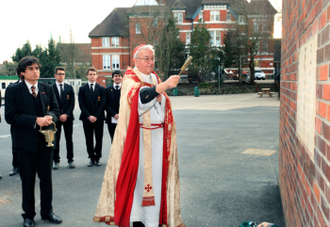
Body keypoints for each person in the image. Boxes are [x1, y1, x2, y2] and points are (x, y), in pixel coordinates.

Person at [93, 44, 185, 227]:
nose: (150, 62)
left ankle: (156, 217)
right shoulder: (129, 78)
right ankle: (139, 218)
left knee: (157, 178)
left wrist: (161, 94)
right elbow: (139, 98)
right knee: (140, 180)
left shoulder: (154, 77)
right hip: (140, 140)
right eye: (146, 58)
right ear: (136, 60)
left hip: (157, 138)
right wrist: (162, 87)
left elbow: (161, 100)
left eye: (152, 58)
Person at [5, 56, 62, 227]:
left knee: (46, 179)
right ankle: (28, 215)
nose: (35, 71)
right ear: (22, 72)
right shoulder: (13, 90)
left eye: (37, 68)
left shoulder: (47, 88)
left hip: (46, 143)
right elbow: (11, 116)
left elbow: (56, 110)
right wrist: (35, 120)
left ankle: (47, 212)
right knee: (28, 181)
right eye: (31, 68)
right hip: (24, 145)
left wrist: (49, 117)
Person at [78, 67, 106, 167]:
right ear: (87, 76)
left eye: (94, 74)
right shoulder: (82, 89)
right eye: (90, 74)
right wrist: (89, 116)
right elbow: (81, 104)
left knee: (99, 139)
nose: (92, 76)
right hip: (86, 118)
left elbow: (103, 104)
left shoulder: (101, 89)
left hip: (99, 118)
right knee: (89, 139)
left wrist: (96, 116)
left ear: (96, 76)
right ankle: (91, 157)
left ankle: (98, 157)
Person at [52, 67, 75, 170]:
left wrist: (66, 114)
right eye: (59, 74)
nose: (61, 76)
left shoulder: (69, 88)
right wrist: (58, 115)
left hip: (67, 118)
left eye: (63, 74)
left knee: (69, 139)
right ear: (55, 75)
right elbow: (50, 104)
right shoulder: (50, 88)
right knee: (55, 139)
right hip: (56, 119)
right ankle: (56, 160)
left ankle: (70, 160)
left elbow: (72, 103)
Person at [9, 74, 22, 176]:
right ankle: (16, 166)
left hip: (33, 123)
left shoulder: (38, 88)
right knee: (16, 146)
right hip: (17, 123)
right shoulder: (12, 88)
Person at [105, 70, 123, 142]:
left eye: (119, 76)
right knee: (114, 139)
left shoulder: (126, 90)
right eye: (116, 76)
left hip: (123, 118)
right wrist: (114, 114)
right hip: (111, 118)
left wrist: (121, 114)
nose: (117, 77)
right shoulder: (107, 90)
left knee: (123, 139)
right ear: (113, 78)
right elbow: (105, 104)